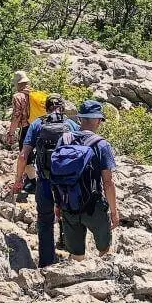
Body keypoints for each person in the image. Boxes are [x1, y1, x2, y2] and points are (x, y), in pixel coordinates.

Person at [4, 94, 77, 267]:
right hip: (68, 182)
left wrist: (18, 180)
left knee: (45, 221)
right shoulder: (72, 125)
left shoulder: (37, 123)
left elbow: (23, 155)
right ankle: (72, 256)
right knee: (69, 216)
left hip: (44, 180)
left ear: (46, 108)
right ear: (63, 107)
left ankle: (46, 263)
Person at [60, 100, 120, 259]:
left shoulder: (64, 140)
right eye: (100, 119)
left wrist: (57, 203)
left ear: (80, 118)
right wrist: (114, 212)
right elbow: (108, 183)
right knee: (105, 251)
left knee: (76, 255)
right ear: (95, 120)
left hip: (68, 204)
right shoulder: (101, 145)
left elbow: (57, 175)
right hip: (93, 207)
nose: (100, 122)